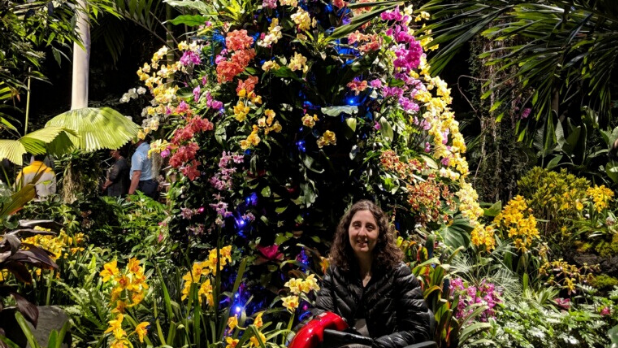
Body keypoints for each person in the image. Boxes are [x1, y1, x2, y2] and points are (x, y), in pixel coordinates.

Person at [315, 200, 431, 348]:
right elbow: (321, 317)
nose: (362, 233)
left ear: (380, 234)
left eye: (370, 227)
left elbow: (419, 330)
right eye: (356, 225)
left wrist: (377, 346)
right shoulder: (335, 272)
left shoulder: (399, 273)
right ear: (347, 230)